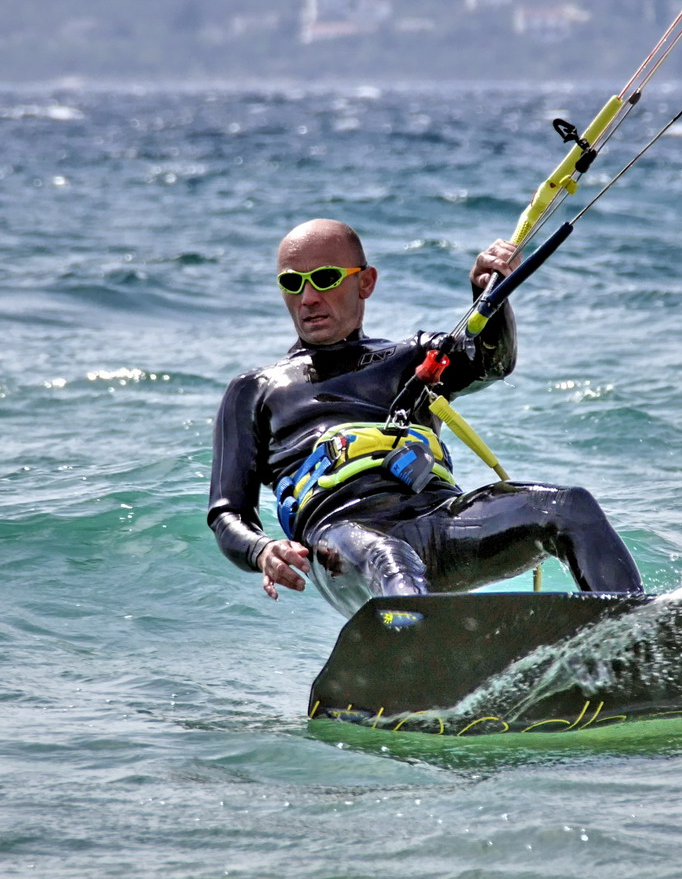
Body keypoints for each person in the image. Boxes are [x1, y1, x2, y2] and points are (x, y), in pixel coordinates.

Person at [207, 218, 643, 617]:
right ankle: (419, 670)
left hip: (440, 520)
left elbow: (490, 362)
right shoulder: (256, 390)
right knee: (390, 560)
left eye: (324, 279)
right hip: (342, 537)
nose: (307, 298)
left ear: (366, 282)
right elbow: (228, 514)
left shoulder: (412, 357)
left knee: (568, 507)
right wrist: (262, 551)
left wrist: (489, 291)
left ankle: (631, 635)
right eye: (291, 282)